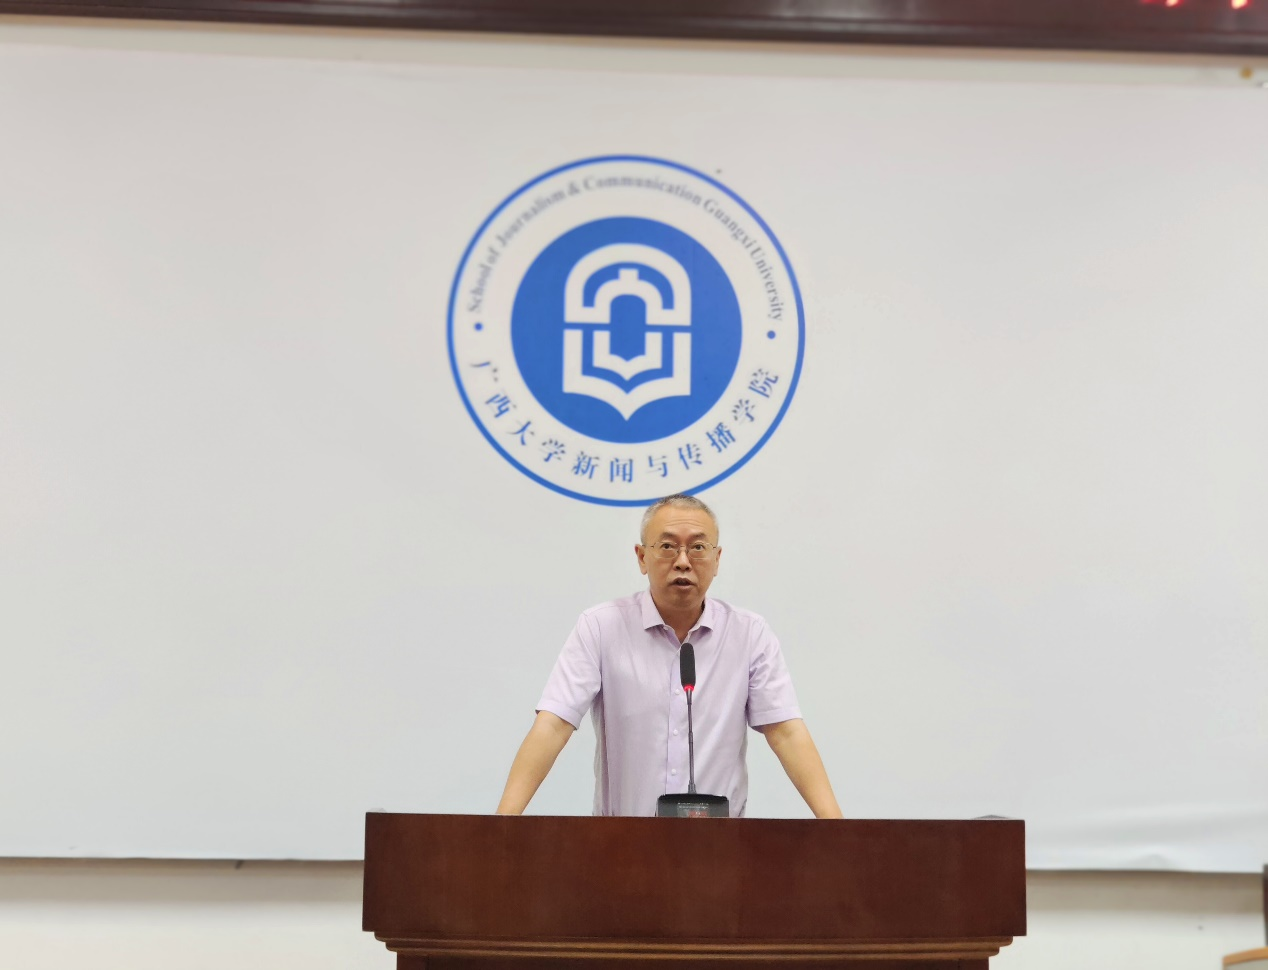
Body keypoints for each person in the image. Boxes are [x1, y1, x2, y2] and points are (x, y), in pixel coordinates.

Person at [496, 494, 842, 818]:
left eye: (698, 548)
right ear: (641, 557)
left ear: (717, 560)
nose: (683, 562)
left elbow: (785, 732)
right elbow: (553, 724)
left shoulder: (749, 634)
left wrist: (836, 828)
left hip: (721, 846)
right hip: (622, 844)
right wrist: (501, 826)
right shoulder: (601, 627)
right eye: (667, 547)